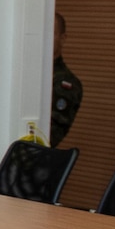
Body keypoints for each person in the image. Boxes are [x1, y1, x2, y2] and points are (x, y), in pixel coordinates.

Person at [50, 12, 82, 145]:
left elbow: (50, 135)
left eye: (51, 33)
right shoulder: (24, 71)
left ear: (62, 39)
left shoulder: (65, 82)